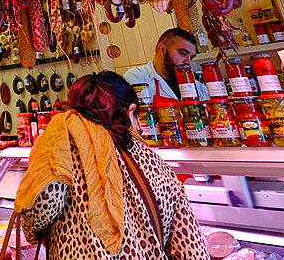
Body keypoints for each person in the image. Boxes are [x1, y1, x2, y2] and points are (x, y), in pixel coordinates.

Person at [16, 72, 208, 260]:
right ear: (130, 110)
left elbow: (43, 203)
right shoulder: (154, 160)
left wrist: (32, 231)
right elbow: (190, 249)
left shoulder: (62, 139)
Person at [122, 28, 208, 100]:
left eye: (191, 57)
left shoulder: (199, 87)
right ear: (162, 50)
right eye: (182, 53)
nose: (188, 62)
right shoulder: (136, 78)